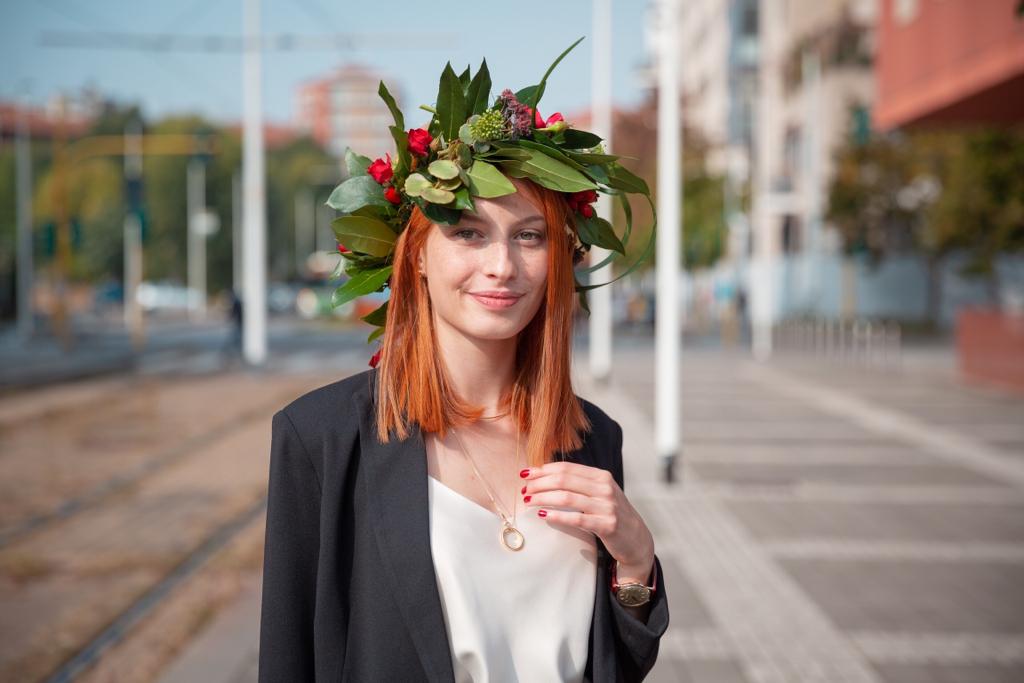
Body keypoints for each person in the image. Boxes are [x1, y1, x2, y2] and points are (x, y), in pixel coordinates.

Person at [258, 41, 667, 683]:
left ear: (557, 259)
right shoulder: (322, 440)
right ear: (415, 254)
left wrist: (637, 565)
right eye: (468, 232)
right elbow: (289, 663)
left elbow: (611, 667)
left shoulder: (592, 440)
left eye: (529, 236)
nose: (502, 265)